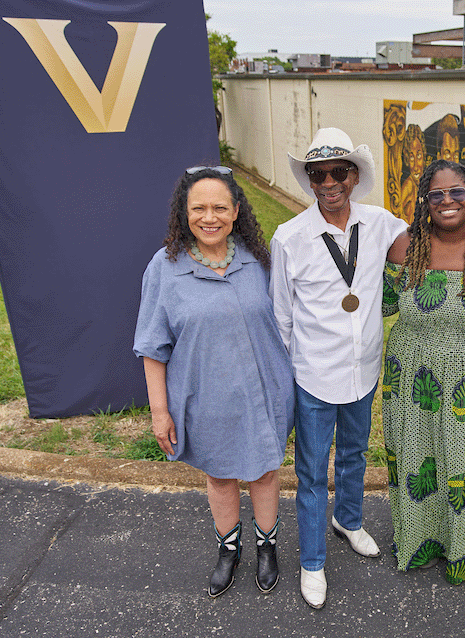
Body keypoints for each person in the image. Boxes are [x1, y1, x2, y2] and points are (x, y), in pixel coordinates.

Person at [271, 128, 465, 609]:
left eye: (339, 171)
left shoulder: (381, 224)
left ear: (354, 176)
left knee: (355, 454)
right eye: (318, 174)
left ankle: (349, 520)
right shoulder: (289, 238)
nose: (329, 182)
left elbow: (438, 220)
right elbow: (281, 319)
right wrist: (286, 382)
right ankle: (312, 562)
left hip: (364, 372)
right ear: (310, 180)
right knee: (311, 472)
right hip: (313, 375)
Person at [134, 166, 294, 598]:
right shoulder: (165, 267)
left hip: (263, 394)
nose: (210, 217)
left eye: (220, 207)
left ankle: (267, 547)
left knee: (264, 472)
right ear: (183, 213)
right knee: (221, 477)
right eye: (199, 208)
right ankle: (229, 551)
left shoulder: (259, 259)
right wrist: (160, 412)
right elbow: (152, 347)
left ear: (236, 211)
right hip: (206, 398)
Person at [382, 160, 465, 584]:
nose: (447, 201)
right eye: (436, 194)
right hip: (412, 377)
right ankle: (420, 539)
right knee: (418, 458)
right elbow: (380, 304)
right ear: (424, 201)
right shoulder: (404, 247)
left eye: (457, 192)